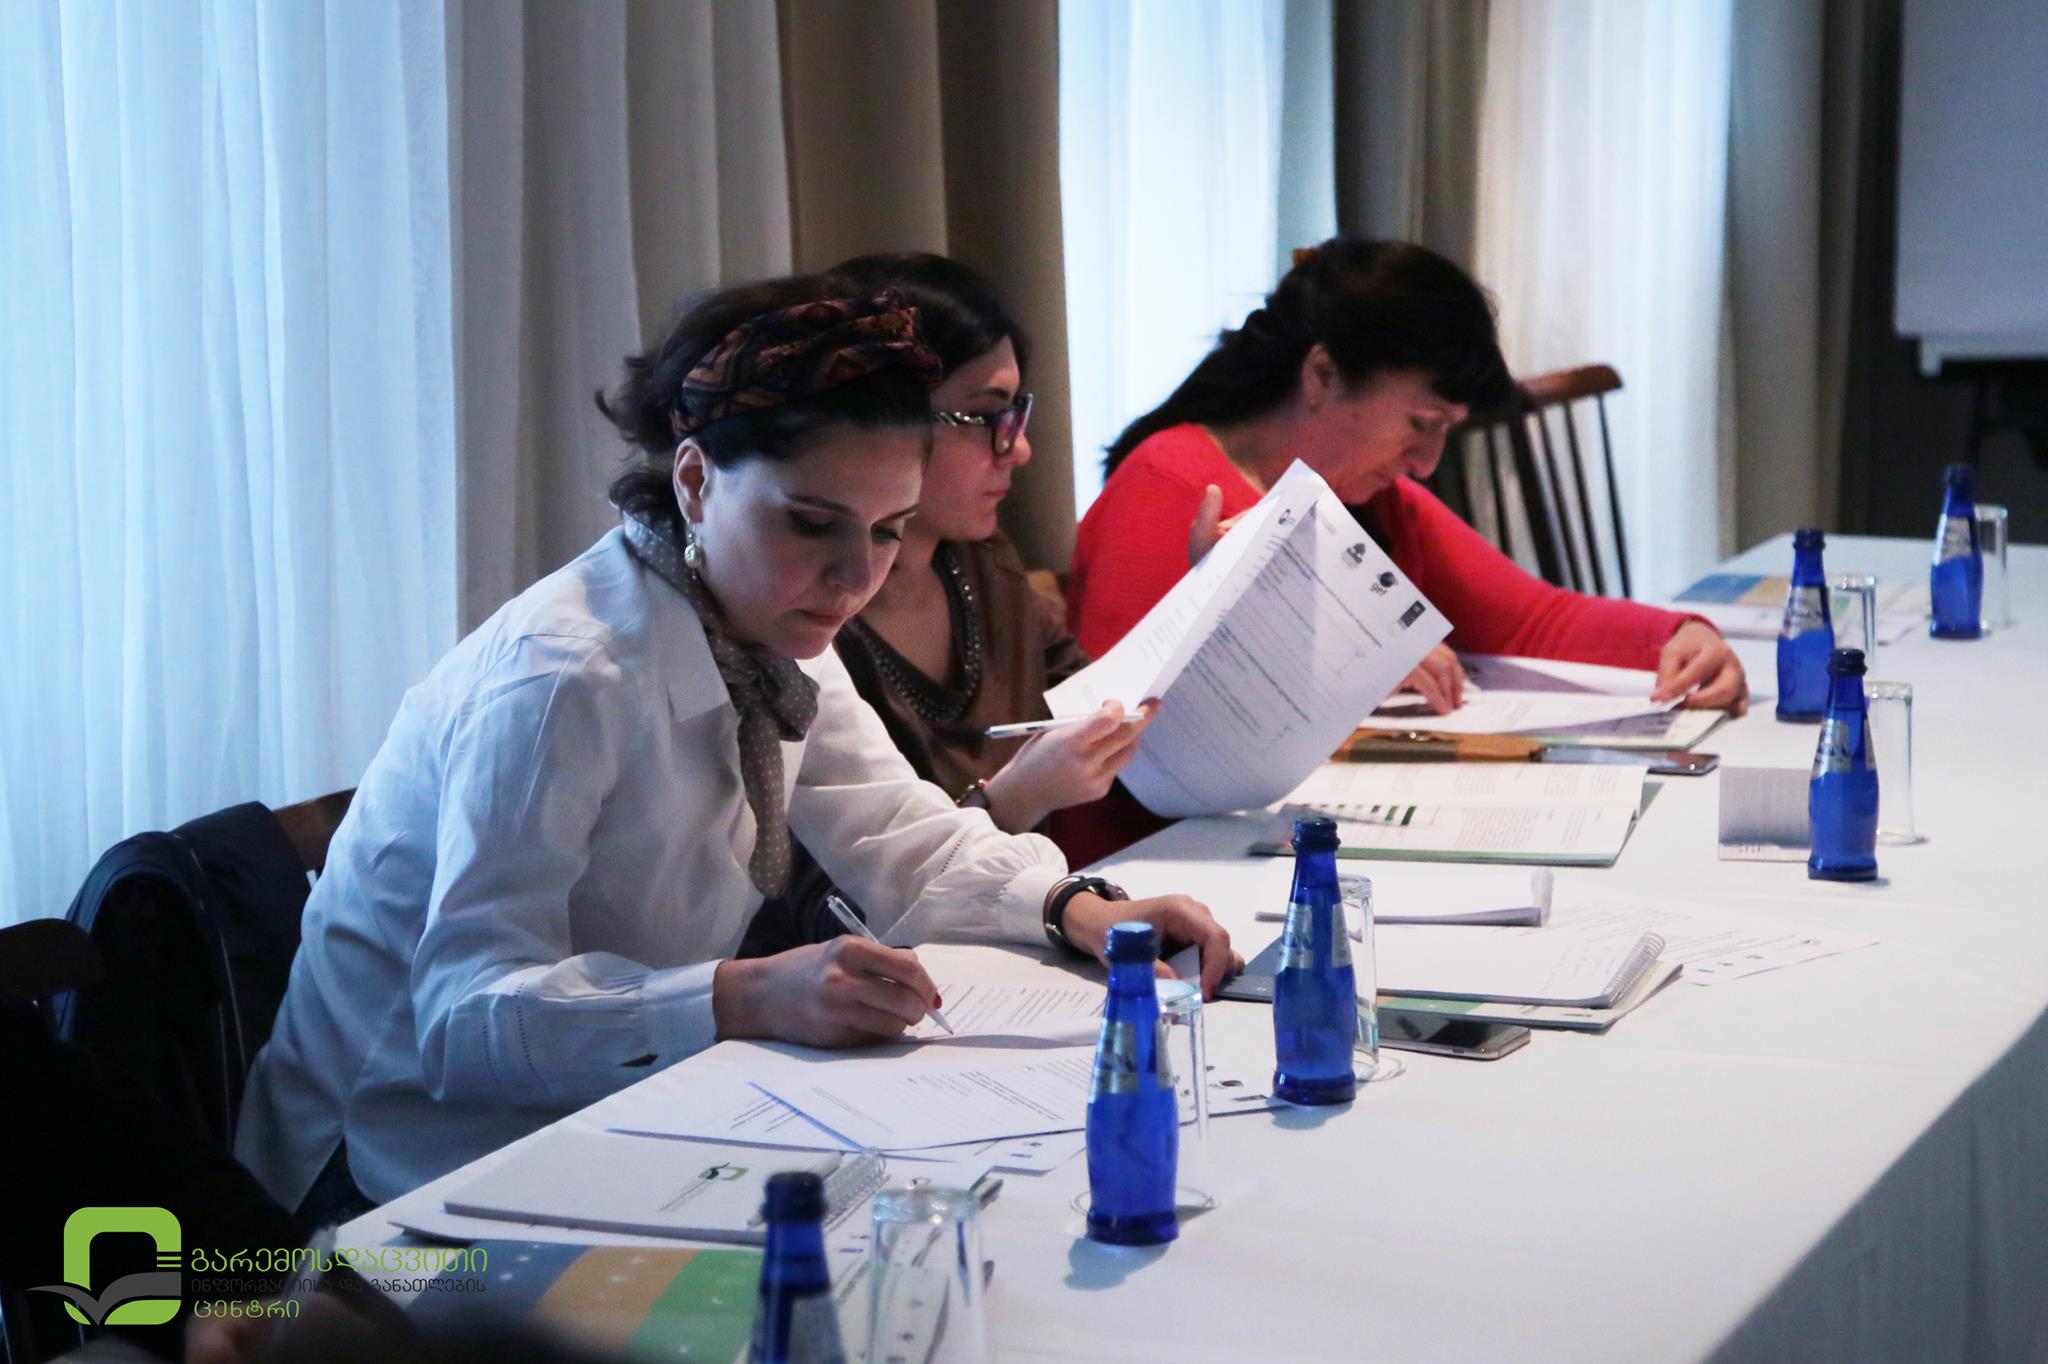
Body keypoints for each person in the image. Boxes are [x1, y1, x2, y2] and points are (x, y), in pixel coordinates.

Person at [235, 274, 1235, 1223]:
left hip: (598, 1113)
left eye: (887, 530)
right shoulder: (567, 674)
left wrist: (1080, 909)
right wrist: (742, 992)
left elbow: (898, 833)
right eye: (812, 522)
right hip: (388, 1168)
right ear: (695, 479)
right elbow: (463, 1021)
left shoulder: (758, 620)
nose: (853, 575)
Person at [1066, 238, 1749, 715]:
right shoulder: (1171, 486)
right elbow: (1123, 736)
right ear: (1322, 374)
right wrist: (1348, 673)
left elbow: (1533, 622)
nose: (1426, 463)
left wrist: (1677, 637)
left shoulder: (1371, 501)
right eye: (1420, 423)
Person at [739, 255, 1145, 957]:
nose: (1020, 449)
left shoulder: (982, 562)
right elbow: (825, 903)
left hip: (998, 957)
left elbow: (1106, 701)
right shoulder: (808, 613)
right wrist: (1013, 799)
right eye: (986, 416)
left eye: (1017, 413)